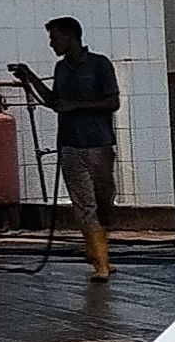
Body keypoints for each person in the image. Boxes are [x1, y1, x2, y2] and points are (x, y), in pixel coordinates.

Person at [11, 17, 121, 281]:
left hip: (99, 143)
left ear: (70, 37)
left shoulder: (99, 64)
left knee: (104, 200)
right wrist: (30, 78)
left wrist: (76, 106)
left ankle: (99, 250)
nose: (52, 44)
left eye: (55, 38)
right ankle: (101, 264)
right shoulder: (60, 69)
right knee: (84, 205)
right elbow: (53, 100)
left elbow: (112, 102)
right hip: (71, 145)